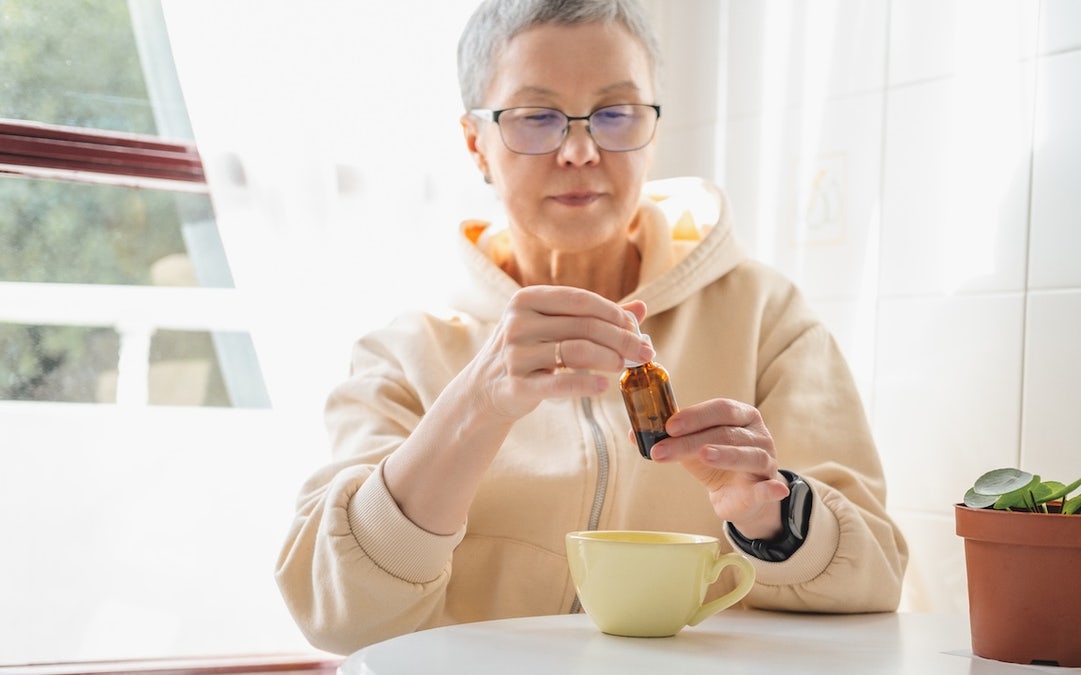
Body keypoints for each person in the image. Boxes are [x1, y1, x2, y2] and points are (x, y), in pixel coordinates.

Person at [276, 0, 907, 655]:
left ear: (652, 131)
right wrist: (473, 408)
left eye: (615, 113)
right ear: (475, 144)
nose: (580, 150)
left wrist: (772, 515)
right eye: (536, 117)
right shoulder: (403, 355)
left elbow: (877, 575)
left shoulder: (766, 317)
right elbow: (341, 615)